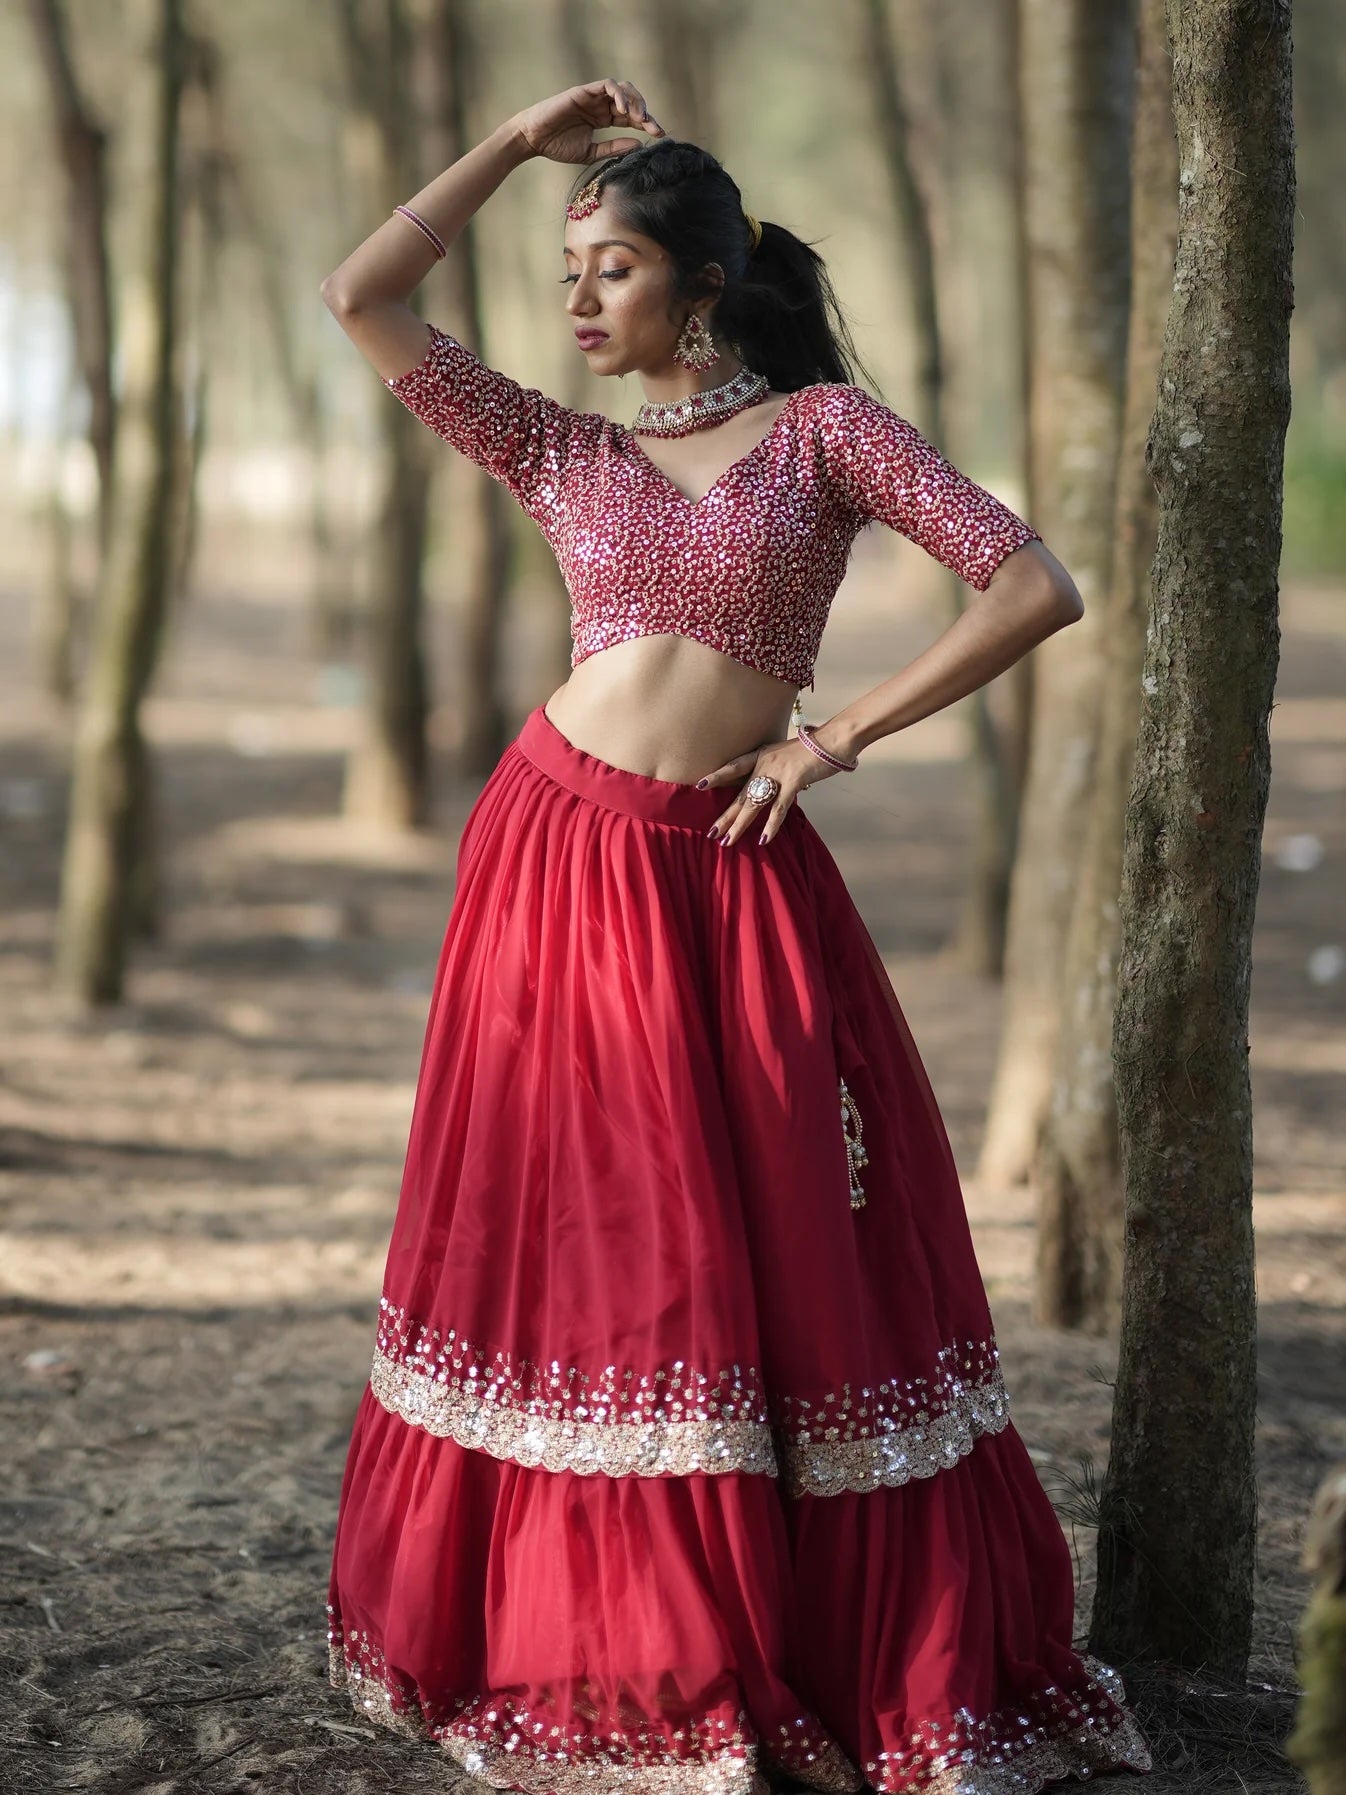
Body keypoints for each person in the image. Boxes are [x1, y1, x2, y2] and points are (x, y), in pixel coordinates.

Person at [319, 77, 1153, 1795]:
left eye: (606, 269)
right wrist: (511, 151)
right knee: (590, 1249)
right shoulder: (560, 445)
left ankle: (782, 1625)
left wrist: (830, 739)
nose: (574, 304)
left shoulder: (831, 437)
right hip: (555, 864)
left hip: (734, 873)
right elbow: (363, 299)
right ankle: (605, 1636)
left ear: (697, 285)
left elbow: (1032, 585)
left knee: (768, 1247)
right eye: (566, 272)